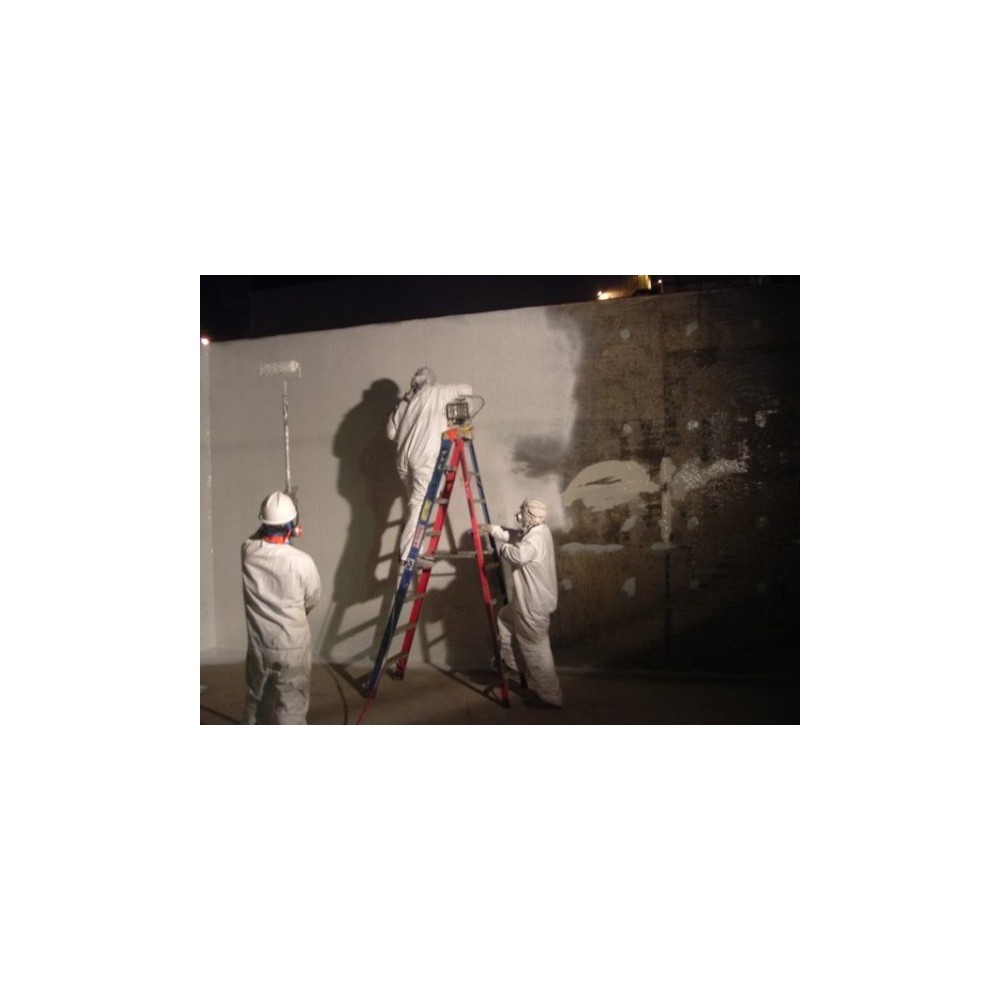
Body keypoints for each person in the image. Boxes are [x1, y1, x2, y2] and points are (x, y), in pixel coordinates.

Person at [241, 491, 322, 724]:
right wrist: (291, 526)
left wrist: (283, 521)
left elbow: (258, 537)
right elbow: (312, 598)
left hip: (259, 644)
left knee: (256, 700)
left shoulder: (248, 552)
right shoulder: (302, 562)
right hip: (292, 646)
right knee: (291, 708)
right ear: (291, 524)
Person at [483, 498, 563, 708]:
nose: (519, 515)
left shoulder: (534, 540)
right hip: (528, 602)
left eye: (522, 512)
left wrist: (502, 549)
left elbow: (518, 554)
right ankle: (509, 661)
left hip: (532, 606)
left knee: (536, 652)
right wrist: (494, 530)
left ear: (530, 515)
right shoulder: (539, 531)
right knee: (504, 618)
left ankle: (550, 697)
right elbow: (516, 535)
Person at [386, 366, 473, 561]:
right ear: (431, 380)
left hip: (403, 460)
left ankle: (416, 547)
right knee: (419, 503)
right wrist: (462, 407)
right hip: (423, 458)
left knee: (414, 504)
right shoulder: (438, 392)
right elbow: (467, 389)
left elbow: (390, 433)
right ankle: (409, 553)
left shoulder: (405, 402)